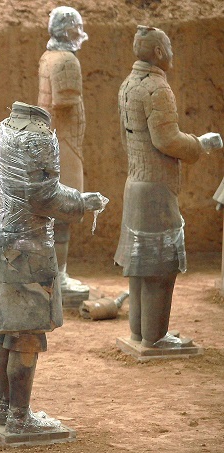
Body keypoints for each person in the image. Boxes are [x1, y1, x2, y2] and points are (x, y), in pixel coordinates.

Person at [0, 102, 105, 434]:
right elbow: (44, 197)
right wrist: (82, 201)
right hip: (28, 247)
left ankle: (3, 409)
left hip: (2, 237)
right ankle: (19, 417)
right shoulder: (39, 136)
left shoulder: (6, 127)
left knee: (6, 332)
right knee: (26, 334)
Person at [115, 26, 222, 348]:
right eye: (169, 47)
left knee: (140, 266)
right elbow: (166, 140)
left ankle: (141, 333)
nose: (172, 53)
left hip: (136, 182)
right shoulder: (157, 87)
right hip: (155, 189)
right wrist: (201, 144)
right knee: (160, 266)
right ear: (159, 52)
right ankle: (156, 337)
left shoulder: (128, 83)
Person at [38, 6, 89, 293]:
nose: (80, 32)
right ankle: (57, 277)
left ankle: (53, 275)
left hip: (52, 141)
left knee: (55, 216)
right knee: (63, 213)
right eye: (76, 27)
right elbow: (64, 102)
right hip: (63, 144)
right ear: (67, 29)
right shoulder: (67, 60)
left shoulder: (48, 56)